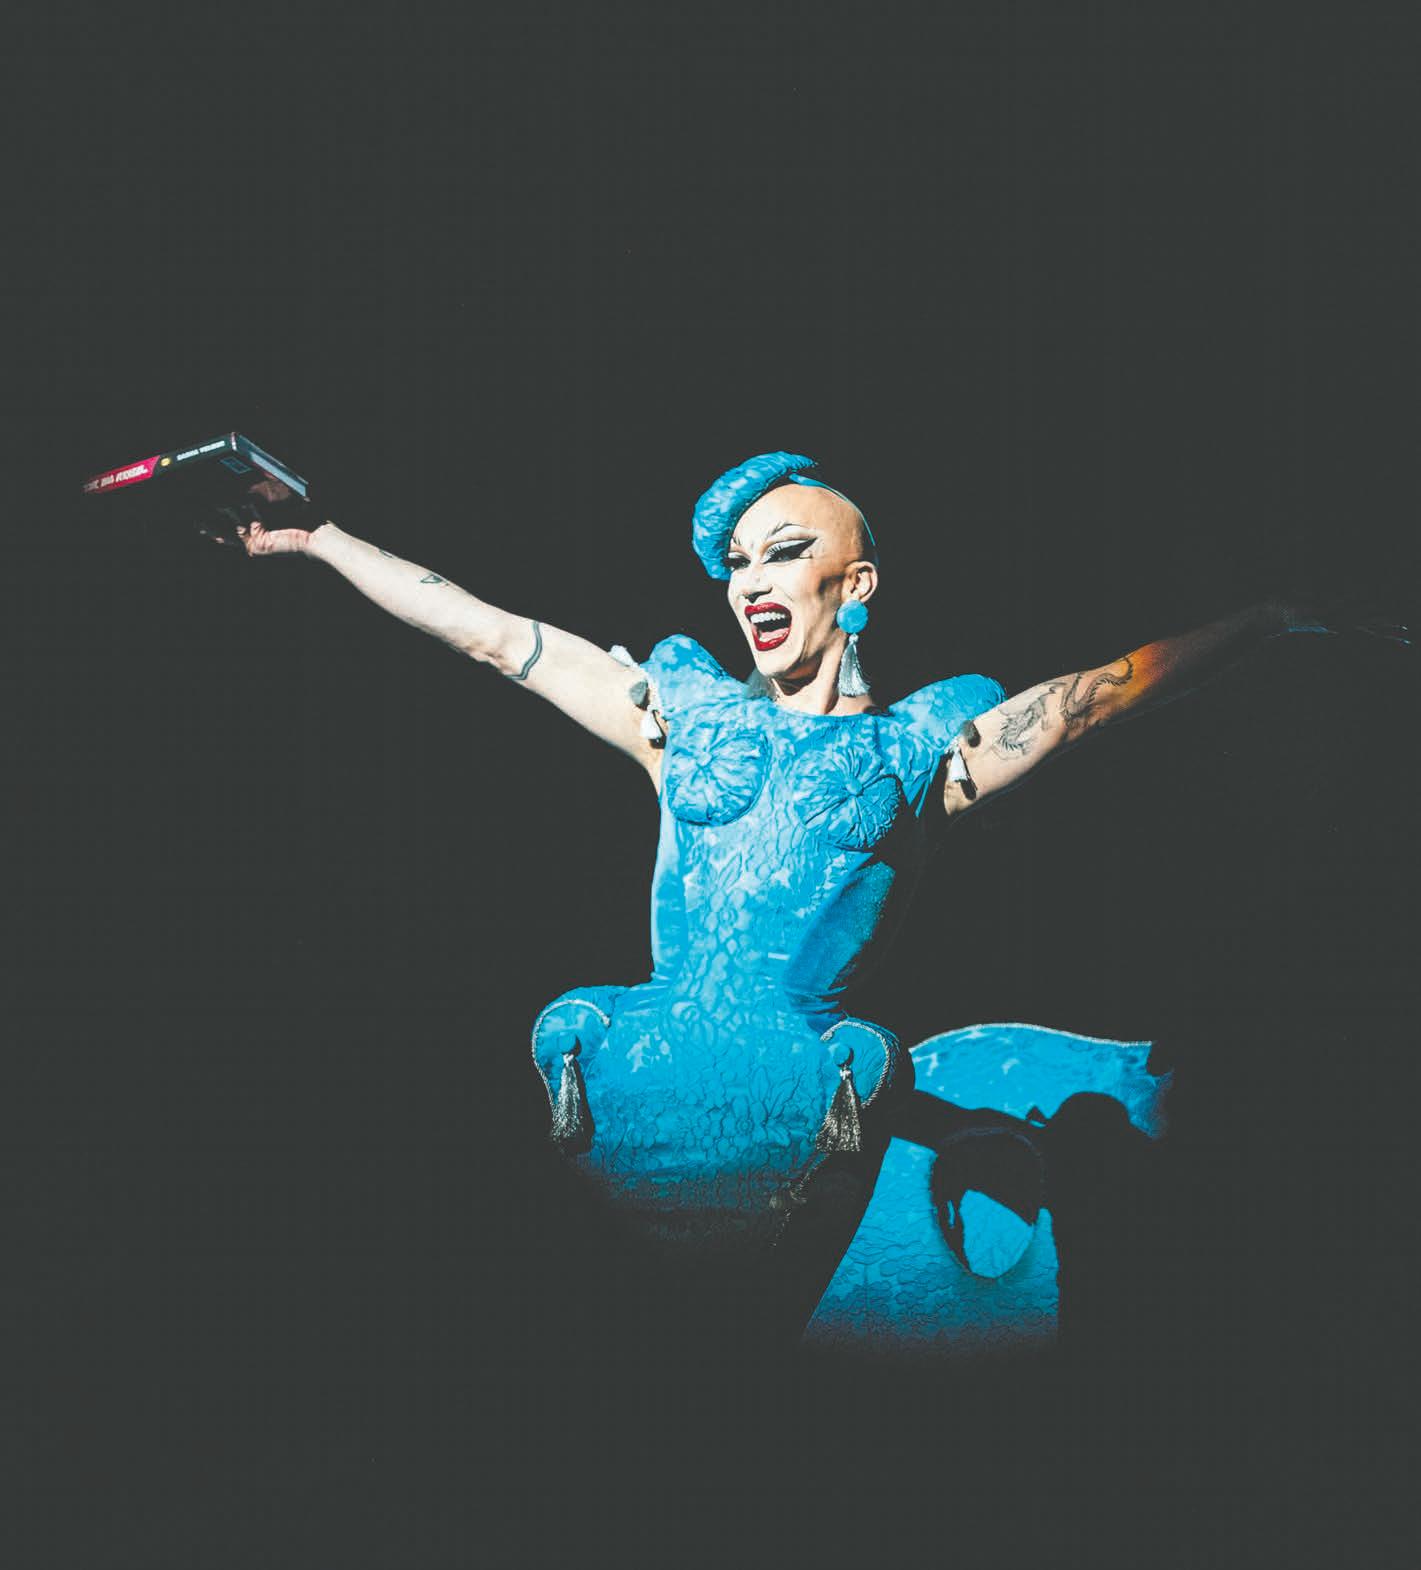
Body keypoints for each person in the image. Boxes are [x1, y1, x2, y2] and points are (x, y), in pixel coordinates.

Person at [225, 450, 1405, 1352]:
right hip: (624, 1098)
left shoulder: (919, 755)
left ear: (855, 582)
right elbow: (489, 634)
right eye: (736, 563)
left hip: (799, 1124)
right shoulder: (680, 715)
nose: (749, 582)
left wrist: (1268, 619)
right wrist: (321, 538)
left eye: (780, 552)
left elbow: (1101, 692)